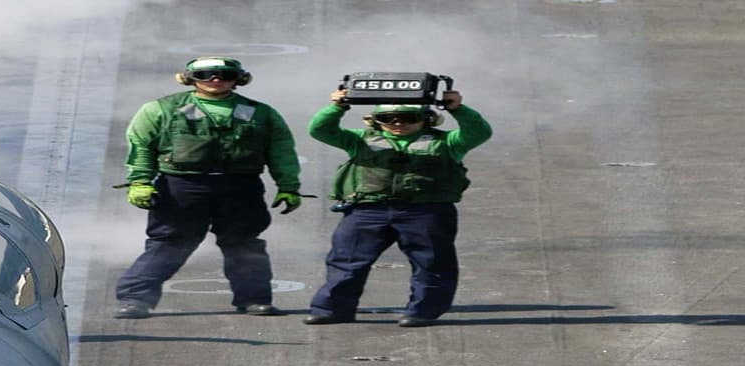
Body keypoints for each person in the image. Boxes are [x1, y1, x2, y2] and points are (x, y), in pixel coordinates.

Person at [112, 56, 303, 319]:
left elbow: (281, 151)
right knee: (170, 243)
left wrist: (289, 186)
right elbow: (141, 146)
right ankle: (135, 299)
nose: (215, 80)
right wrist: (140, 182)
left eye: (224, 75)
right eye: (206, 75)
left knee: (244, 244)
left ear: (239, 79)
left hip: (240, 187)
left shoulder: (261, 113)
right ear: (190, 79)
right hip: (182, 185)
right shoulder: (161, 109)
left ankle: (254, 299)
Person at [303, 87, 492, 326]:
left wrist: (457, 108)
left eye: (408, 118)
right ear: (375, 121)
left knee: (431, 262)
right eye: (387, 119)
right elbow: (320, 130)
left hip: (426, 211)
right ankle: (331, 309)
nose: (397, 123)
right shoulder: (359, 140)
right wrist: (337, 107)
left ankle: (422, 312)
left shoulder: (447, 142)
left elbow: (479, 133)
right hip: (366, 210)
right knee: (346, 261)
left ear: (426, 120)